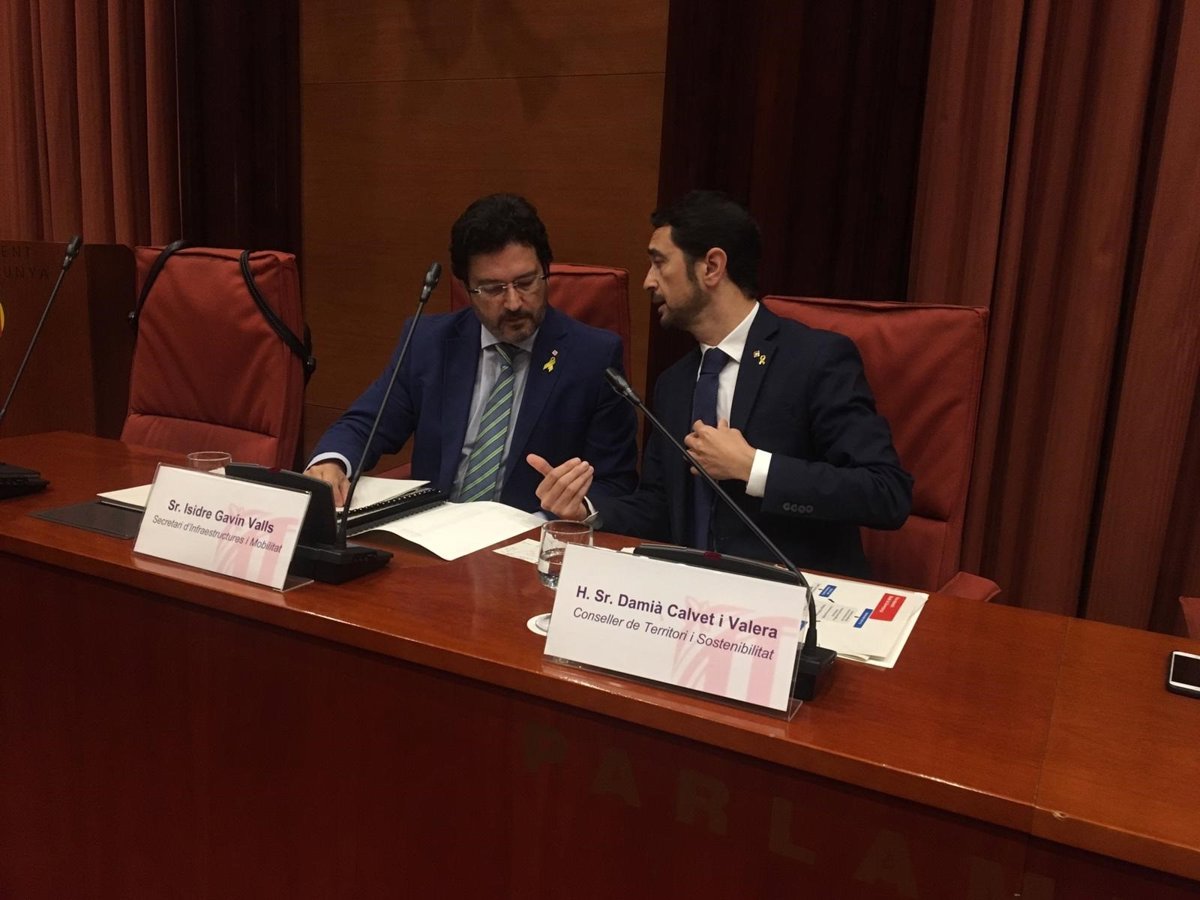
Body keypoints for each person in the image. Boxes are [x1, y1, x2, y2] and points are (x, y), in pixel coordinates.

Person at [528, 190, 911, 579]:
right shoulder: (674, 383)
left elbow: (886, 493)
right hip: (686, 595)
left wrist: (754, 467)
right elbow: (660, 507)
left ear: (711, 266)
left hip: (788, 594)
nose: (648, 282)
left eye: (659, 263)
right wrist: (586, 510)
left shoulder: (814, 359)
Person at [307, 193, 638, 511]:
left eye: (526, 283)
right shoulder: (428, 342)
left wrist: (574, 510)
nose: (513, 303)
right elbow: (366, 424)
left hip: (530, 535)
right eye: (493, 289)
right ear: (467, 288)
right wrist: (332, 462)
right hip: (432, 531)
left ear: (545, 271)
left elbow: (615, 484)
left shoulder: (593, 358)